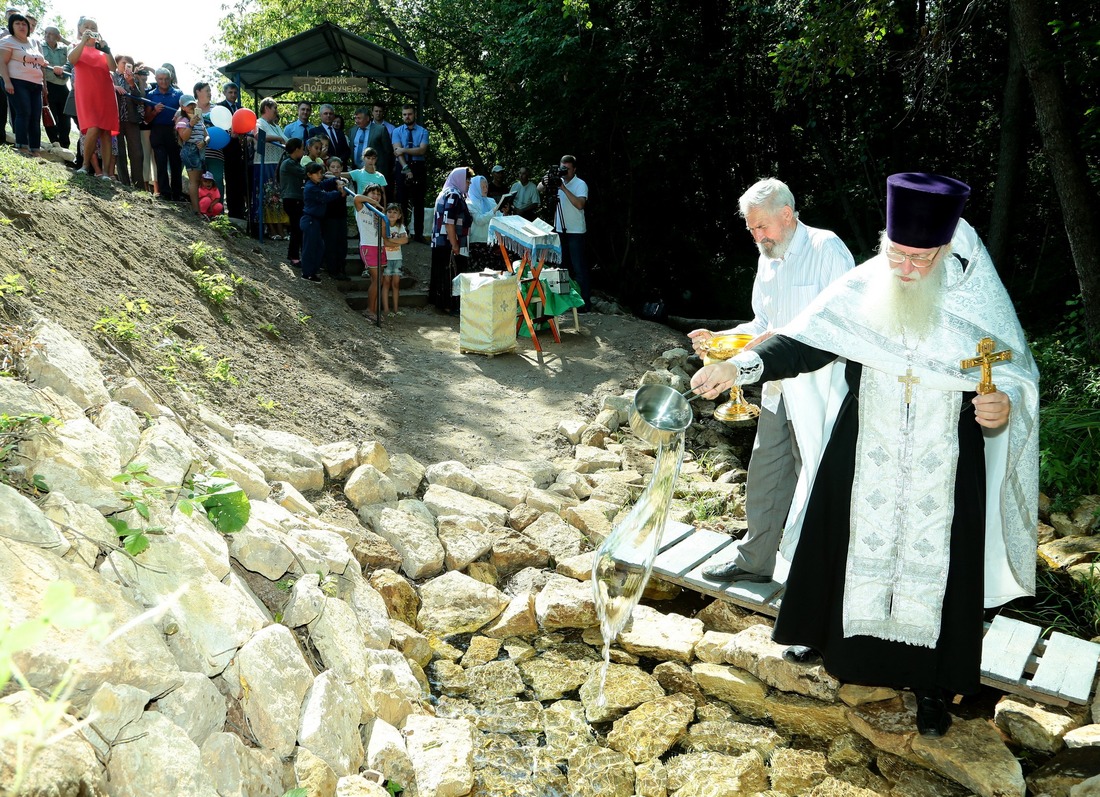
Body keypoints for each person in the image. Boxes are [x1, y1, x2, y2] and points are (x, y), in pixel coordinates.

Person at [689, 173, 1039, 738]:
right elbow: (806, 338)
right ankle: (839, 651)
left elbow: (1013, 379)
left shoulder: (976, 301)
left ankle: (932, 686)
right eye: (896, 253)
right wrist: (740, 366)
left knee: (944, 562)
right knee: (845, 540)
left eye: (919, 259)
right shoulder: (865, 284)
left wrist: (998, 408)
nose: (903, 269)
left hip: (947, 453)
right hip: (866, 441)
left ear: (946, 249)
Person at [691, 179, 854, 585]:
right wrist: (720, 343)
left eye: (761, 227)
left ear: (787, 214)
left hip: (823, 389)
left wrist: (769, 342)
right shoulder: (768, 257)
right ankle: (755, 561)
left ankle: (815, 576)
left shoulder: (826, 248)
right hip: (776, 385)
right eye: (750, 229)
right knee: (765, 471)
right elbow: (762, 325)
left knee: (816, 478)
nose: (756, 237)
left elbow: (843, 324)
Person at [538, 154, 590, 310]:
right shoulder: (557, 181)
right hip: (560, 230)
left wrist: (563, 188)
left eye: (567, 169)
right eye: (562, 168)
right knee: (562, 268)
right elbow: (539, 188)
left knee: (579, 268)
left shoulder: (580, 184)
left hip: (576, 232)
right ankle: (566, 304)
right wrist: (546, 180)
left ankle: (584, 304)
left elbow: (580, 204)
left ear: (574, 169)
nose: (564, 172)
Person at [67, 17, 118, 178]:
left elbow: (113, 68)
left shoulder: (102, 48)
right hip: (86, 94)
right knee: (93, 127)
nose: (89, 29)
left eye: (93, 26)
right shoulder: (76, 46)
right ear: (80, 28)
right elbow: (72, 60)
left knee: (105, 132)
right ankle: (85, 165)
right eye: (86, 26)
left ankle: (105, 173)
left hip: (105, 93)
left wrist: (107, 50)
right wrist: (83, 41)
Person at [0, 12, 47, 157]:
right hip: (16, 81)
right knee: (23, 112)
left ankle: (35, 149)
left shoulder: (34, 42)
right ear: (11, 26)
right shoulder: (8, 40)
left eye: (24, 24)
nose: (21, 26)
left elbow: (41, 63)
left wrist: (44, 85)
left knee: (35, 116)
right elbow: (2, 62)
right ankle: (22, 146)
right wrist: (7, 81)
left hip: (36, 84)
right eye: (17, 23)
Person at [428, 166, 473, 313]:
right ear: (460, 179)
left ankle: (443, 303)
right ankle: (448, 305)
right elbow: (449, 221)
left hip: (442, 242)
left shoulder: (449, 193)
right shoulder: (453, 194)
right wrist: (454, 243)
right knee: (449, 274)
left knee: (444, 273)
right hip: (447, 243)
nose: (469, 183)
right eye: (467, 180)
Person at [300, 162, 346, 282]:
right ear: (310, 175)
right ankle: (307, 273)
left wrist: (336, 180)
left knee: (319, 247)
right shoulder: (311, 187)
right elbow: (324, 197)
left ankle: (313, 271)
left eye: (321, 173)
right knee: (310, 248)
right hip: (310, 220)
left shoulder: (317, 184)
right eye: (317, 173)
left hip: (315, 221)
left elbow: (326, 183)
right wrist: (339, 192)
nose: (320, 175)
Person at [391, 103, 428, 242]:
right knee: (402, 201)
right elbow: (397, 151)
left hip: (419, 166)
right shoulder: (397, 131)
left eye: (410, 114)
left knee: (419, 202)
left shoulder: (423, 131)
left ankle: (418, 234)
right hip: (402, 165)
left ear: (415, 114)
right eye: (405, 114)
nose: (407, 117)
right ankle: (402, 233)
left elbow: (422, 150)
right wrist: (406, 169)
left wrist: (404, 150)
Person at [252, 96, 287, 238]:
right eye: (274, 108)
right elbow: (258, 135)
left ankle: (280, 229)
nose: (276, 111)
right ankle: (271, 230)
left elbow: (287, 140)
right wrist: (278, 139)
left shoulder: (276, 126)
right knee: (268, 197)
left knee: (277, 198)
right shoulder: (259, 122)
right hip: (264, 164)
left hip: (277, 164)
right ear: (266, 108)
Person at [146, 66, 182, 199]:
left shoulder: (178, 93)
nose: (164, 82)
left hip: (173, 131)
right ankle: (164, 193)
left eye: (166, 79)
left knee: (176, 163)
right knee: (160, 163)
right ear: (156, 79)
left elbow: (186, 110)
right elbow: (146, 118)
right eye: (160, 79)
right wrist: (154, 111)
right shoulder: (151, 95)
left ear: (170, 78)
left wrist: (180, 113)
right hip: (157, 131)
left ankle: (177, 193)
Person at [111, 55, 145, 187]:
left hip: (131, 120)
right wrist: (114, 87)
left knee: (136, 152)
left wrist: (132, 83)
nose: (126, 66)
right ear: (117, 64)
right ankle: (124, 182)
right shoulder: (111, 76)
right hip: (116, 119)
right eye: (123, 63)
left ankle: (138, 183)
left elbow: (140, 100)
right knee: (119, 152)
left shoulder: (136, 79)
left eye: (129, 64)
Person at [353, 183, 388, 311]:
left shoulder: (379, 212)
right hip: (368, 246)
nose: (376, 196)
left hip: (380, 246)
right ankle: (370, 310)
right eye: (373, 193)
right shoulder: (362, 208)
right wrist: (375, 203)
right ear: (367, 194)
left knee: (379, 280)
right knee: (377, 280)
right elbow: (357, 198)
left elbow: (384, 233)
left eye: (378, 194)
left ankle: (374, 309)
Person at [218, 82, 246, 218]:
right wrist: (230, 135)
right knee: (230, 181)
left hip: (239, 150)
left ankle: (240, 211)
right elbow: (218, 127)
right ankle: (233, 212)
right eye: (230, 92)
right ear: (225, 93)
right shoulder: (220, 107)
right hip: (225, 148)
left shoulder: (241, 109)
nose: (233, 95)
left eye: (235, 93)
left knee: (239, 181)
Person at [40, 26, 71, 149]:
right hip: (48, 85)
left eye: (51, 33)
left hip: (63, 86)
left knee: (65, 117)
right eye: (46, 33)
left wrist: (62, 39)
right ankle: (54, 142)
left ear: (57, 36)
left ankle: (65, 145)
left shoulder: (65, 48)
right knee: (49, 114)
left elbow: (75, 46)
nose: (47, 35)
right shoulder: (39, 46)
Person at [175, 93, 207, 212]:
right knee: (194, 181)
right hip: (190, 151)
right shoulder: (182, 120)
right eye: (189, 105)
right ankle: (196, 210)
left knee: (198, 181)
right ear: (183, 107)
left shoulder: (200, 120)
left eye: (193, 104)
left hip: (200, 151)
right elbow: (184, 137)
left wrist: (204, 141)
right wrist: (191, 124)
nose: (192, 107)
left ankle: (198, 209)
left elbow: (207, 135)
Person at [467, 174, 505, 272]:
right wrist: (494, 210)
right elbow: (479, 220)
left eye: (486, 186)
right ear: (475, 187)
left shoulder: (491, 201)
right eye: (482, 187)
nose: (485, 189)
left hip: (491, 243)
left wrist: (504, 212)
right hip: (477, 244)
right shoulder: (470, 203)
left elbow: (499, 217)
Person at [278, 137, 306, 265]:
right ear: (296, 149)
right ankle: (294, 256)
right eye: (302, 148)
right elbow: (306, 173)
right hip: (292, 199)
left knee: (297, 228)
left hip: (295, 198)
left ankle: (295, 254)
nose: (304, 151)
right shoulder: (289, 163)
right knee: (296, 228)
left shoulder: (293, 162)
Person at [194, 82, 223, 200]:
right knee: (198, 181)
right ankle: (200, 209)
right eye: (207, 90)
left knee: (217, 179)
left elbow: (225, 128)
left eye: (210, 91)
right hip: (195, 151)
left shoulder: (216, 109)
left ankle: (218, 211)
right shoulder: (190, 108)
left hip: (215, 151)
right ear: (198, 92)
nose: (210, 93)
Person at [383, 202, 408, 316]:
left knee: (396, 284)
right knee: (386, 283)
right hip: (386, 258)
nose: (392, 214)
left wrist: (390, 241)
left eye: (395, 212)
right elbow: (384, 242)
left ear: (399, 215)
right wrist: (397, 242)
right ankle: (387, 310)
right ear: (385, 213)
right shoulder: (383, 225)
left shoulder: (400, 227)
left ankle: (396, 309)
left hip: (397, 258)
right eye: (389, 211)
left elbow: (405, 240)